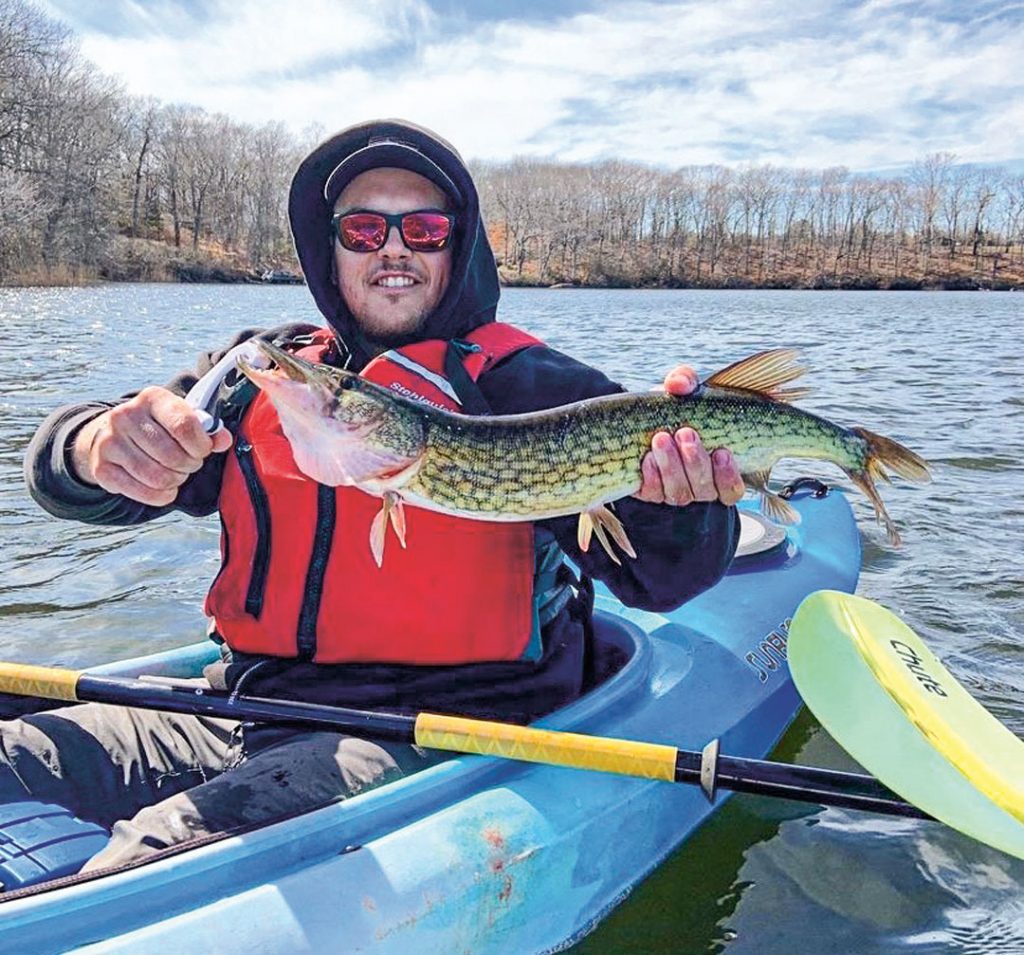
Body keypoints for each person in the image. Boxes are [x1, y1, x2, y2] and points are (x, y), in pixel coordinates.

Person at [16, 119, 743, 872]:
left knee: (155, 850)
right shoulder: (261, 375)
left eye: (423, 228)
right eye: (363, 228)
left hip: (441, 734)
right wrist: (95, 445)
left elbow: (664, 579)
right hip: (243, 706)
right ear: (329, 249)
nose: (393, 248)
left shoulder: (536, 388)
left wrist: (684, 505)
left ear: (456, 246)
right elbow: (72, 481)